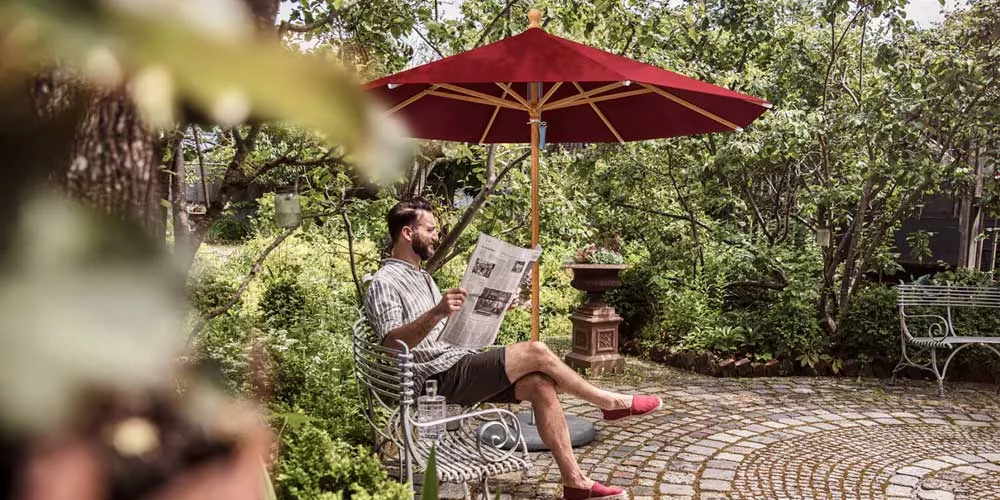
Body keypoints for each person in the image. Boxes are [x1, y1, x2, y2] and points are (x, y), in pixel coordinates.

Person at [364, 197, 662, 500]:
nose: (437, 235)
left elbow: (441, 331)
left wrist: (491, 308)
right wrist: (438, 312)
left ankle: (576, 483)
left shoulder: (422, 276)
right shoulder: (385, 282)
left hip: (456, 363)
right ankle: (609, 403)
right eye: (429, 229)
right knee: (537, 351)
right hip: (435, 380)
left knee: (540, 385)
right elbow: (391, 346)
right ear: (406, 233)